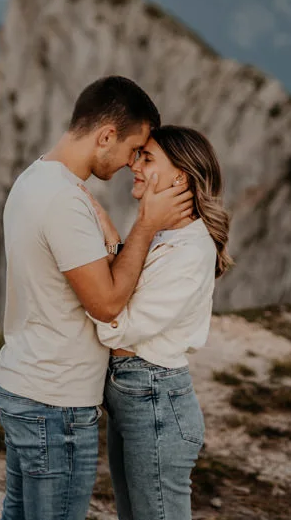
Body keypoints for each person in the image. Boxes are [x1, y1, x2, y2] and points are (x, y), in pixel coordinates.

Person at [0, 76, 196, 520]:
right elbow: (105, 304)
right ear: (105, 136)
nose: (130, 164)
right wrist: (146, 225)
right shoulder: (65, 201)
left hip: (24, 382)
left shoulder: (36, 178)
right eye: (131, 149)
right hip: (54, 400)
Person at [82, 125, 232, 520]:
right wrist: (122, 239)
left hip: (155, 401)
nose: (135, 165)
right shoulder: (164, 235)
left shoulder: (190, 250)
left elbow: (114, 322)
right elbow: (119, 296)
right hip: (134, 396)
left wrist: (104, 285)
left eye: (147, 158)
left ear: (179, 176)